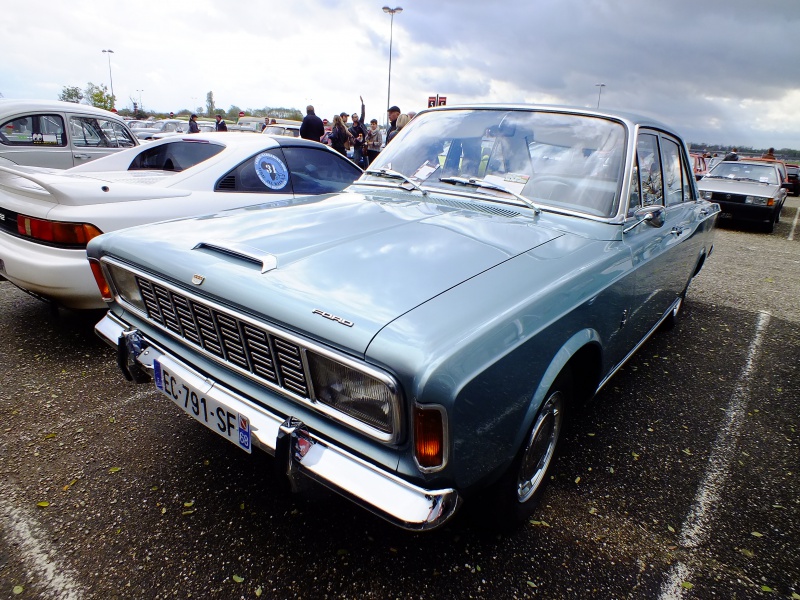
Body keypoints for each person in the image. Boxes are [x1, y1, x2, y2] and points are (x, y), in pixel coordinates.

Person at [349, 96, 368, 168]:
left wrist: (362, 104)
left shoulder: (361, 123)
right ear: (352, 119)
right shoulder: (350, 129)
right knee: (356, 161)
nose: (356, 118)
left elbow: (363, 114)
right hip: (357, 147)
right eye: (354, 117)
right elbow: (351, 139)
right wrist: (355, 140)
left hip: (364, 145)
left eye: (357, 117)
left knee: (366, 161)